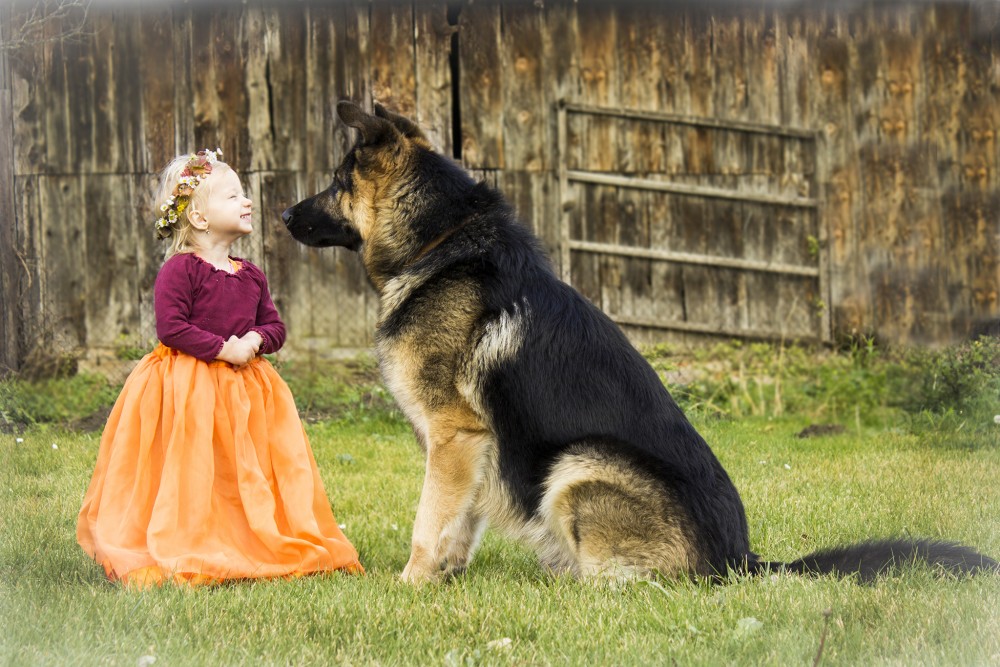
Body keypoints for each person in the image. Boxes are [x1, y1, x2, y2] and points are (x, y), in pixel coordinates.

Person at [77, 149, 363, 587]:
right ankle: (194, 533)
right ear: (199, 218)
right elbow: (172, 328)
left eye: (243, 194)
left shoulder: (250, 274)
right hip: (187, 388)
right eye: (233, 196)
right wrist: (221, 350)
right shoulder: (180, 271)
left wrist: (255, 340)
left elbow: (275, 325)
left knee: (244, 468)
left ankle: (248, 531)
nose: (247, 201)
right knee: (192, 465)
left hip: (247, 392)